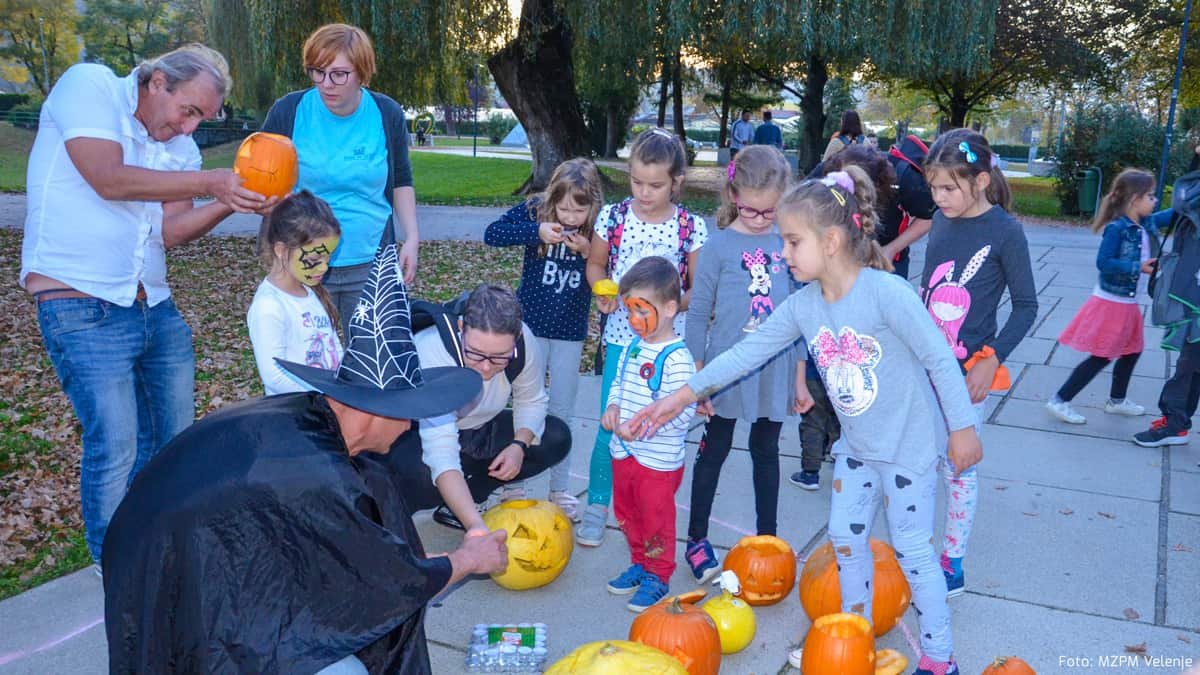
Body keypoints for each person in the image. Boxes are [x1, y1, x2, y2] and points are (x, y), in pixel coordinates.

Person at [627, 168, 981, 675]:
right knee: (844, 540)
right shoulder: (804, 306)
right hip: (857, 449)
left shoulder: (886, 294)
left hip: (907, 451)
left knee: (912, 553)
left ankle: (941, 658)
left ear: (832, 241)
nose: (784, 254)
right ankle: (854, 638)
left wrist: (962, 427)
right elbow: (746, 352)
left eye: (792, 242)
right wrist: (681, 395)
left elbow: (939, 360)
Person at [103, 243, 507, 674]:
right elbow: (379, 588)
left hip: (187, 560)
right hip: (166, 584)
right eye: (409, 414)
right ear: (379, 410)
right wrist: (468, 559)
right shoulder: (318, 475)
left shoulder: (310, 419)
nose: (410, 427)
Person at [20, 44, 270, 569]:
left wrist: (228, 201)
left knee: (173, 443)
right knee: (116, 446)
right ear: (157, 82)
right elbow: (107, 178)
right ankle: (115, 570)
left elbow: (172, 231)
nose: (189, 128)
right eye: (189, 110)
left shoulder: (178, 146)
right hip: (79, 300)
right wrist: (209, 183)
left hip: (153, 304)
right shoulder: (89, 87)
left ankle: (157, 552)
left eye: (200, 118)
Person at [919, 129, 1037, 599]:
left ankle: (953, 560)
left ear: (982, 180)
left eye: (949, 188)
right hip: (924, 366)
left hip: (967, 375)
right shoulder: (941, 220)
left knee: (958, 468)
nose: (939, 197)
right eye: (934, 187)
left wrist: (993, 359)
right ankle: (917, 547)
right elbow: (928, 292)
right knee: (920, 461)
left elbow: (1026, 306)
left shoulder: (1006, 232)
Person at [579, 127, 709, 547]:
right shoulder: (613, 218)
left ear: (677, 182)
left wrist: (663, 312)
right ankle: (599, 505)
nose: (644, 192)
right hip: (621, 340)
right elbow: (597, 266)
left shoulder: (690, 227)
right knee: (612, 423)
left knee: (661, 427)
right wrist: (605, 293)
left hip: (671, 346)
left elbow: (698, 289)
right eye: (637, 182)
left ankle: (650, 506)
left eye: (655, 185)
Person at [261, 23, 421, 339]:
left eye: (338, 74)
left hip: (372, 261)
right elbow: (263, 180)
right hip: (302, 262)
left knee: (371, 365)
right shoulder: (289, 111)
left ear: (362, 72)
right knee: (311, 363)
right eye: (317, 72)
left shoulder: (386, 113)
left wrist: (412, 237)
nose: (326, 84)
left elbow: (401, 178)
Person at [683, 145, 798, 582]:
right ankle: (696, 538)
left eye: (769, 212)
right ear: (732, 195)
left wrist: (801, 378)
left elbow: (801, 314)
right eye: (749, 210)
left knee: (766, 453)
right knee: (713, 453)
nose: (758, 218)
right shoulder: (718, 247)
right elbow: (697, 314)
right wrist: (697, 375)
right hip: (725, 372)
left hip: (774, 371)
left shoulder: (789, 246)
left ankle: (768, 541)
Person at [388, 284, 572, 534]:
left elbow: (532, 399)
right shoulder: (432, 351)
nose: (486, 367)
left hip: (478, 429)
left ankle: (467, 499)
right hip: (419, 436)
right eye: (475, 354)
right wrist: (477, 529)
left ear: (516, 337)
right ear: (461, 328)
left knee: (556, 437)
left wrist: (519, 445)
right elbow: (440, 451)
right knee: (422, 478)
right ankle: (400, 513)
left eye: (499, 357)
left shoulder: (523, 341)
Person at [483, 158, 603, 518]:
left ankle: (560, 488)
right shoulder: (535, 211)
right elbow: (493, 234)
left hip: (569, 331)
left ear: (592, 205)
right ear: (552, 198)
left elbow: (610, 271)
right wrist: (535, 232)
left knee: (562, 408)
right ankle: (512, 483)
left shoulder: (600, 227)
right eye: (563, 207)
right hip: (528, 328)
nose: (569, 217)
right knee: (520, 400)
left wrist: (588, 253)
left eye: (578, 210)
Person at [602, 256, 697, 611]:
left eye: (643, 311)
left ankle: (659, 573)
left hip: (657, 461)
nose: (634, 321)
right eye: (629, 312)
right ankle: (641, 562)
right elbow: (618, 385)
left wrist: (638, 429)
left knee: (656, 518)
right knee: (627, 512)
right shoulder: (631, 347)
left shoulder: (677, 358)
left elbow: (680, 413)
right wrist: (612, 410)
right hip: (623, 453)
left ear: (670, 308)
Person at [1046, 169, 1173, 426]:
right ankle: (1059, 400)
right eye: (1150, 195)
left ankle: (1116, 401)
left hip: (1127, 303)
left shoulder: (1144, 224)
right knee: (1102, 355)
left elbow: (1172, 214)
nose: (1154, 200)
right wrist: (1138, 267)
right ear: (1133, 200)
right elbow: (1104, 262)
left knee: (1132, 351)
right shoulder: (1117, 229)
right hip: (1112, 303)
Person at [247, 190, 344, 395]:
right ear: (281, 250)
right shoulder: (269, 306)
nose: (324, 268)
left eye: (328, 259)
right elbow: (274, 376)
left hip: (325, 408)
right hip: (295, 414)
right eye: (314, 261)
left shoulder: (313, 293)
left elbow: (333, 347)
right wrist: (328, 395)